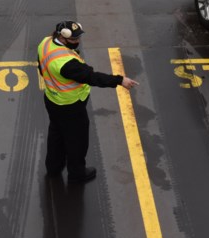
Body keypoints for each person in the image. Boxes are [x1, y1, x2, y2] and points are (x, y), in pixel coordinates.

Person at [37, 21, 138, 182]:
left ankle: (53, 168)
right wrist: (120, 80)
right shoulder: (67, 64)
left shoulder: (45, 43)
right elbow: (92, 77)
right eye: (74, 40)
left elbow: (42, 68)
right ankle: (77, 173)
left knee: (56, 134)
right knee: (77, 141)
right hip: (71, 106)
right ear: (63, 38)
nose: (78, 42)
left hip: (52, 99)